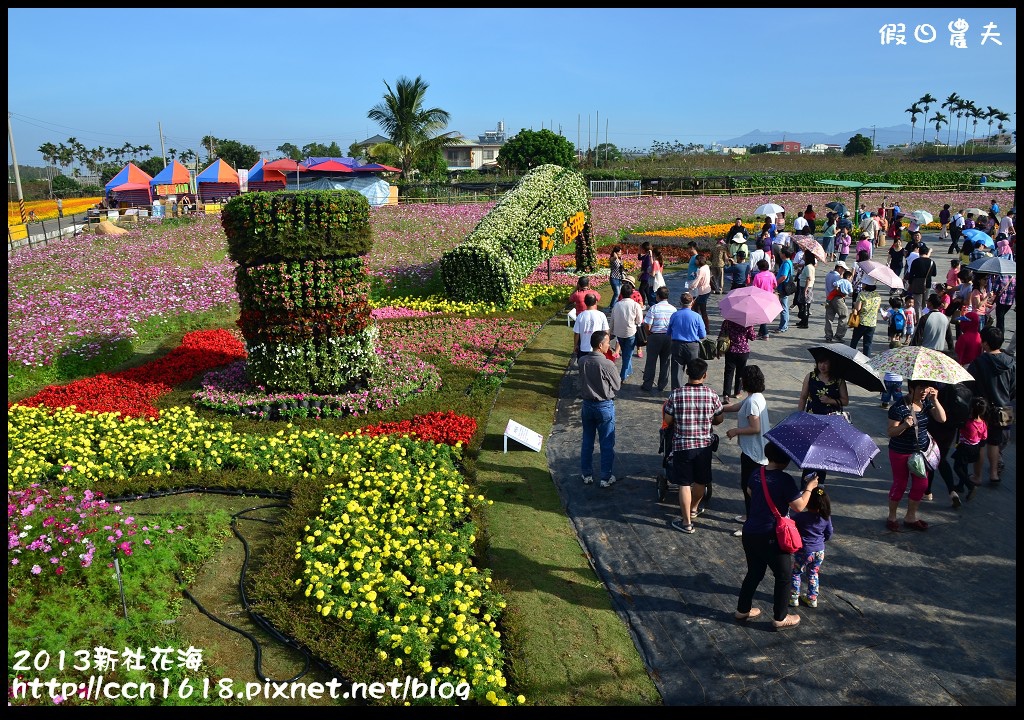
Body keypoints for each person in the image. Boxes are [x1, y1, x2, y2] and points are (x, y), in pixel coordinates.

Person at [734, 441, 819, 629]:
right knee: (783, 575)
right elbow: (799, 506)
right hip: (771, 535)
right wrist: (810, 487)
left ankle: (742, 610)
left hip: (750, 532)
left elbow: (749, 492)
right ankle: (780, 618)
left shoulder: (756, 473)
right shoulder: (785, 480)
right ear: (786, 461)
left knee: (754, 572)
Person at [663, 358, 724, 534]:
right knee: (701, 481)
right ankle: (694, 509)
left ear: (687, 373)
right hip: (704, 445)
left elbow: (668, 420)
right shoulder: (712, 394)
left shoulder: (676, 394)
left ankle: (686, 523)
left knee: (684, 483)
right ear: (705, 375)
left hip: (682, 445)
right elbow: (719, 419)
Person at [886, 381, 947, 532]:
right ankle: (892, 517)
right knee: (900, 484)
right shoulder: (898, 407)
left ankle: (910, 517)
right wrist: (904, 425)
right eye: (921, 388)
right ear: (911, 388)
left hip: (920, 453)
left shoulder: (926, 403)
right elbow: (891, 432)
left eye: (926, 388)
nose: (924, 391)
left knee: (921, 485)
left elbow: (942, 419)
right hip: (900, 452)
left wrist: (935, 400)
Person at [723, 365, 770, 537]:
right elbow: (736, 407)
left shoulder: (752, 402)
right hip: (757, 451)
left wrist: (735, 431)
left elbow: (755, 427)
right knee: (751, 487)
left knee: (749, 488)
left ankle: (751, 524)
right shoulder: (756, 397)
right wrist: (716, 407)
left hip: (754, 454)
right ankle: (748, 516)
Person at [966, 327, 1016, 485]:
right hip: (1005, 409)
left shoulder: (979, 362)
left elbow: (970, 386)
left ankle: (977, 476)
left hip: (982, 408)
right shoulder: (1011, 362)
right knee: (995, 443)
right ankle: (994, 474)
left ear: (986, 344)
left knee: (980, 443)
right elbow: (1014, 387)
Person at [578, 330, 621, 489]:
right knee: (606, 443)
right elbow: (617, 385)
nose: (608, 345)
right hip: (604, 406)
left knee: (587, 440)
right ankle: (605, 477)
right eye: (607, 342)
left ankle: (586, 473)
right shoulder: (606, 363)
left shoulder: (582, 361)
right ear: (600, 345)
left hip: (587, 405)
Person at [789, 485, 833, 609]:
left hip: (804, 551)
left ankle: (793, 598)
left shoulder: (800, 517)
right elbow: (829, 534)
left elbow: (791, 527)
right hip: (819, 551)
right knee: (813, 574)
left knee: (796, 573)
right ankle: (812, 599)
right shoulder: (826, 518)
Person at [952, 397, 989, 501]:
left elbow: (958, 427)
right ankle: (960, 486)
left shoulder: (968, 423)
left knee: (957, 467)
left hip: (964, 448)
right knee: (964, 466)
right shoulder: (983, 423)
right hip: (975, 448)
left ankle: (970, 486)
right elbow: (984, 437)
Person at [667, 292, 705, 390]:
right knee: (694, 371)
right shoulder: (697, 316)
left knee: (676, 371)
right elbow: (703, 335)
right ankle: (693, 389)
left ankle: (676, 392)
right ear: (692, 302)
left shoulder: (674, 315)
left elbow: (669, 332)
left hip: (677, 345)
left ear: (680, 302)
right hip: (692, 346)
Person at [640, 286, 675, 393]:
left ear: (658, 296)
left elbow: (648, 325)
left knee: (651, 361)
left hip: (655, 336)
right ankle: (662, 385)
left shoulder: (654, 308)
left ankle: (647, 384)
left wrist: (648, 334)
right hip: (668, 337)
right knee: (665, 362)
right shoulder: (673, 309)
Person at [609, 284, 644, 383]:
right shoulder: (635, 305)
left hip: (619, 332)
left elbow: (612, 320)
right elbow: (639, 320)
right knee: (627, 355)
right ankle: (622, 376)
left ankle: (629, 370)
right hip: (630, 332)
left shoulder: (617, 304)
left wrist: (610, 332)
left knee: (626, 353)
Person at [719, 318, 757, 400]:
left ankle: (726, 395)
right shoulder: (747, 322)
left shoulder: (727, 321)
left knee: (728, 373)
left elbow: (721, 334)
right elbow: (753, 337)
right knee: (740, 373)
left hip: (730, 350)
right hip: (743, 351)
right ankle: (737, 392)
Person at [573, 293, 609, 361]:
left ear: (585, 302)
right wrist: (606, 343)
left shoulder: (581, 316)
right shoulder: (601, 315)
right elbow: (606, 331)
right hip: (597, 347)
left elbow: (576, 333)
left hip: (584, 347)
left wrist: (575, 345)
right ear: (596, 302)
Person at [850, 283, 882, 357]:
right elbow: (877, 307)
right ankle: (866, 360)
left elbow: (858, 308)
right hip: (872, 323)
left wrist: (855, 304)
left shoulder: (862, 294)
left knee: (854, 340)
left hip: (862, 321)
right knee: (868, 343)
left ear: (866, 285)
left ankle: (850, 356)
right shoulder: (878, 295)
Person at [824, 263, 853, 343]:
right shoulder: (838, 277)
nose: (843, 272)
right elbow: (839, 289)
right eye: (843, 269)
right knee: (844, 316)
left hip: (829, 298)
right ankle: (839, 335)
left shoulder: (828, 274)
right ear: (839, 268)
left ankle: (828, 336)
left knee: (829, 318)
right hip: (837, 299)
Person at [750, 259, 777, 340]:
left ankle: (765, 333)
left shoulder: (757, 276)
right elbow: (775, 285)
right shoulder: (771, 275)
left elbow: (754, 288)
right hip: (769, 297)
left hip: (760, 298)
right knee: (764, 315)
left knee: (762, 316)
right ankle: (761, 333)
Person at [774, 248, 794, 334]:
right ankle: (784, 325)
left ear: (784, 254)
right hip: (784, 287)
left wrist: (775, 284)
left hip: (782, 287)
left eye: (781, 252)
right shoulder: (789, 262)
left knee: (783, 307)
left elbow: (784, 276)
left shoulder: (786, 263)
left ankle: (783, 326)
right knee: (784, 306)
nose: (779, 253)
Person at [691, 254, 713, 329]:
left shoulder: (701, 270)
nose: (695, 262)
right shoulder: (706, 267)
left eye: (696, 260)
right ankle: (704, 326)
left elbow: (696, 281)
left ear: (699, 261)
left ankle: (704, 327)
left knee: (700, 309)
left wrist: (691, 286)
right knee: (698, 307)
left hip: (702, 291)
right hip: (707, 289)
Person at [795, 253, 816, 329]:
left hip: (806, 287)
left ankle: (805, 323)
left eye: (804, 255)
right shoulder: (807, 266)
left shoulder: (808, 267)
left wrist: (805, 290)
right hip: (804, 286)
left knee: (805, 305)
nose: (803, 256)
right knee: (803, 305)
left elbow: (808, 278)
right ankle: (802, 321)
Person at [637, 242, 653, 307]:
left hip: (646, 276)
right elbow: (639, 258)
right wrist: (639, 251)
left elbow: (647, 267)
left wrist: (641, 273)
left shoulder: (648, 257)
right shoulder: (646, 255)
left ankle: (643, 303)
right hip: (644, 275)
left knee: (641, 289)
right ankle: (650, 303)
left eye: (642, 249)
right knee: (646, 290)